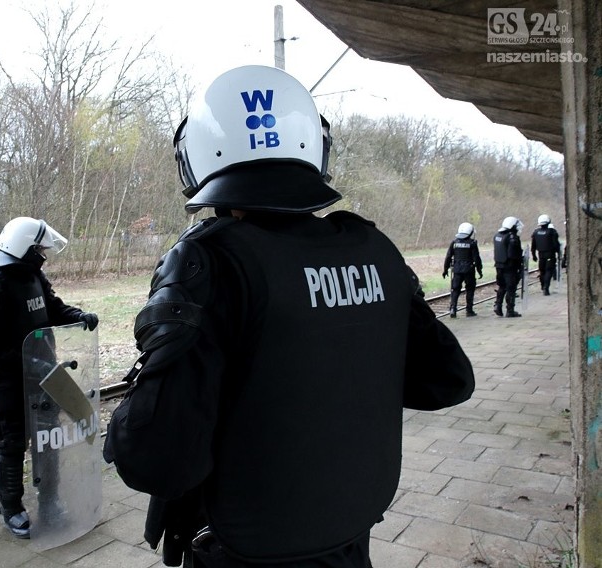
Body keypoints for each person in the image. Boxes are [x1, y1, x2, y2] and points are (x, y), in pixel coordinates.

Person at [103, 65, 475, 568]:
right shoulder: (373, 249)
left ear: (194, 155)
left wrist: (124, 423)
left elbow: (159, 460)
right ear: (313, 145)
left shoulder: (212, 263)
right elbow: (447, 381)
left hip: (245, 546)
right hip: (350, 537)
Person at [0, 216, 99, 538]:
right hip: (8, 382)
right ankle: (11, 508)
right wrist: (26, 362)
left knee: (49, 441)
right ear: (24, 247)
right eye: (39, 248)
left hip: (44, 376)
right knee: (11, 444)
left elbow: (52, 308)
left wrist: (77, 316)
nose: (43, 254)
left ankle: (50, 501)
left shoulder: (34, 276)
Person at [443, 222, 484, 318]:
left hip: (457, 270)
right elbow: (476, 258)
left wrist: (445, 269)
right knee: (470, 289)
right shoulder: (472, 243)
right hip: (469, 270)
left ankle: (453, 308)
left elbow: (448, 257)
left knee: (455, 289)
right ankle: (469, 310)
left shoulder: (454, 243)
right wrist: (479, 270)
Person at [493, 216, 525, 317]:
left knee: (502, 286)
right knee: (511, 288)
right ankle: (510, 310)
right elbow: (513, 255)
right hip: (510, 267)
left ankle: (497, 306)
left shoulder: (498, 235)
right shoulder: (512, 238)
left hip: (499, 266)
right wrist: (520, 261)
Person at [530, 214, 562, 295]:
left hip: (541, 255)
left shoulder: (536, 232)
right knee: (549, 271)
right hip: (550, 255)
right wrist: (559, 253)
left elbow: (533, 245)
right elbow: (556, 244)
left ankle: (542, 285)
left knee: (542, 271)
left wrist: (533, 255)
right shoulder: (552, 232)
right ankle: (546, 287)